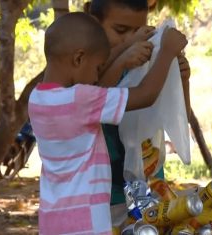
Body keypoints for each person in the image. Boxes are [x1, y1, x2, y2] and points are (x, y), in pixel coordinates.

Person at [28, 12, 187, 234]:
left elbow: (99, 89)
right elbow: (145, 95)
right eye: (97, 68)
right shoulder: (80, 100)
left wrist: (126, 47)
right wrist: (167, 52)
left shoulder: (37, 100)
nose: (96, 77)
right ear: (78, 59)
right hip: (87, 223)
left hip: (52, 221)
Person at [84, 0, 191, 226]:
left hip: (149, 189)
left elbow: (179, 115)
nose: (134, 38)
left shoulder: (147, 64)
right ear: (94, 24)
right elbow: (97, 100)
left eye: (139, 30)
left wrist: (181, 79)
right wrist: (124, 55)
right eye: (121, 31)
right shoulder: (83, 68)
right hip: (106, 197)